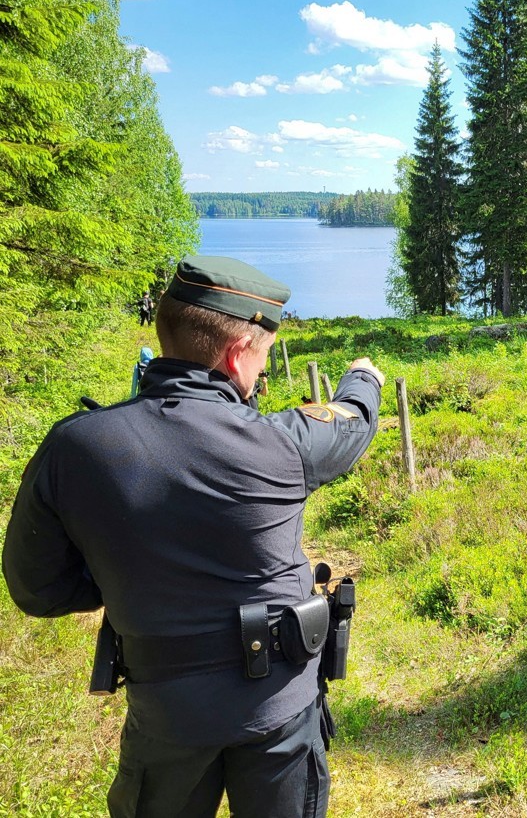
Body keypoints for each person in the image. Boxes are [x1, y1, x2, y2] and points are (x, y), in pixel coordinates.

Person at [3, 256, 385, 817]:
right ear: (236, 355)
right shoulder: (282, 444)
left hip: (166, 713)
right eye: (261, 357)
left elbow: (38, 590)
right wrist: (364, 376)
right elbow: (351, 420)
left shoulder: (76, 447)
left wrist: (126, 575)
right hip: (279, 709)